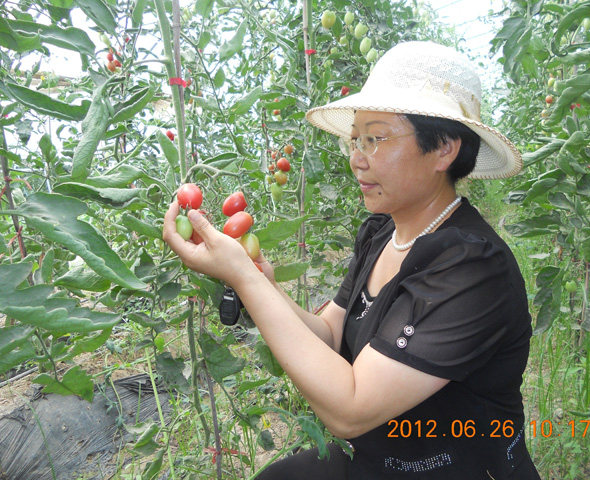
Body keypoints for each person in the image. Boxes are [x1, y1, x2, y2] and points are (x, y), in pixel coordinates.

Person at [163, 41, 541, 479]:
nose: (357, 160)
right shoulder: (382, 233)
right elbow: (328, 335)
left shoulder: (472, 267)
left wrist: (242, 278)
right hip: (379, 461)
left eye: (376, 139)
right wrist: (258, 279)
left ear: (444, 150)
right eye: (355, 140)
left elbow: (351, 408)